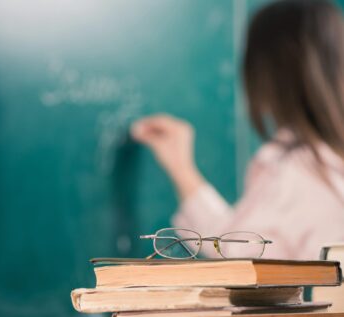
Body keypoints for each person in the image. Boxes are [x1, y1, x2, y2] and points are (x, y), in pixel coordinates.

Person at [131, 0, 344, 260]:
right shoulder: (325, 163)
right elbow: (242, 242)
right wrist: (183, 170)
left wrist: (182, 170)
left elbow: (242, 258)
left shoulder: (296, 171)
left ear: (263, 73)